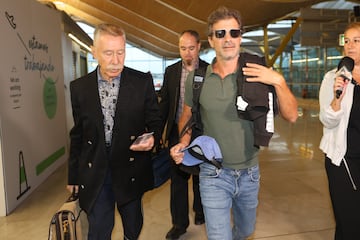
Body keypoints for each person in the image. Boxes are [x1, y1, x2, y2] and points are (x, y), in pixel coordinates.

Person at [170, 6, 298, 240]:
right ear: (210, 40)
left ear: (240, 36)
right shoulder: (197, 79)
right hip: (213, 173)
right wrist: (183, 143)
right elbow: (187, 118)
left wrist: (278, 81)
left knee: (246, 231)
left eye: (234, 33)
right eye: (220, 34)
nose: (228, 39)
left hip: (249, 172)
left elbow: (292, 116)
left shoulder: (257, 73)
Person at [67, 23, 162, 240]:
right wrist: (73, 175)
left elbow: (155, 120)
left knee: (132, 226)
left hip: (130, 167)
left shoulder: (141, 82)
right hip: (96, 168)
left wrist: (153, 138)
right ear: (94, 52)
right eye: (108, 53)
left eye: (121, 52)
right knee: (99, 229)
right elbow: (78, 134)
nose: (116, 60)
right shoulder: (79, 88)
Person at [159, 30, 208, 240]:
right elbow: (165, 104)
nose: (187, 53)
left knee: (200, 179)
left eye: (191, 48)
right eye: (182, 48)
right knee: (178, 180)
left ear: (199, 47)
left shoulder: (209, 71)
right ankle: (179, 224)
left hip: (201, 133)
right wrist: (157, 132)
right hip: (176, 134)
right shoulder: (171, 72)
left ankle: (200, 210)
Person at [319, 22, 360, 239]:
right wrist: (337, 98)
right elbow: (327, 120)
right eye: (347, 41)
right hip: (343, 160)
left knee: (346, 225)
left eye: (357, 40)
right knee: (351, 220)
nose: (350, 46)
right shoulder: (332, 78)